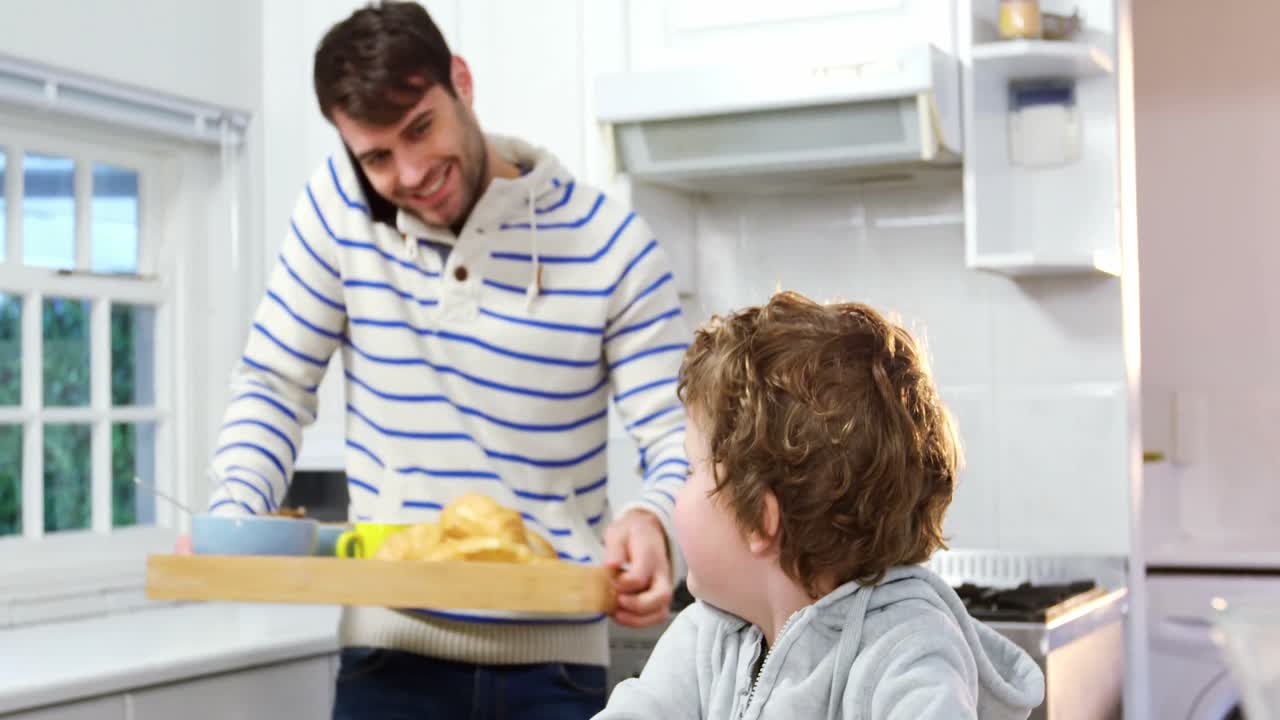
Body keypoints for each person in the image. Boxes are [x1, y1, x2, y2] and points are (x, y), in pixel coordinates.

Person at [205, 3, 690, 718]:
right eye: (376, 156)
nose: (409, 173)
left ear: (461, 81)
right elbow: (275, 384)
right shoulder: (337, 209)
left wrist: (654, 521)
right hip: (387, 662)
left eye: (420, 129)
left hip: (556, 671)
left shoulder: (610, 242)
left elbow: (680, 438)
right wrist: (235, 516)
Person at [596, 291, 1045, 719]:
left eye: (693, 469)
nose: (679, 491)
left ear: (759, 519)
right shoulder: (705, 637)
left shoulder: (906, 649)